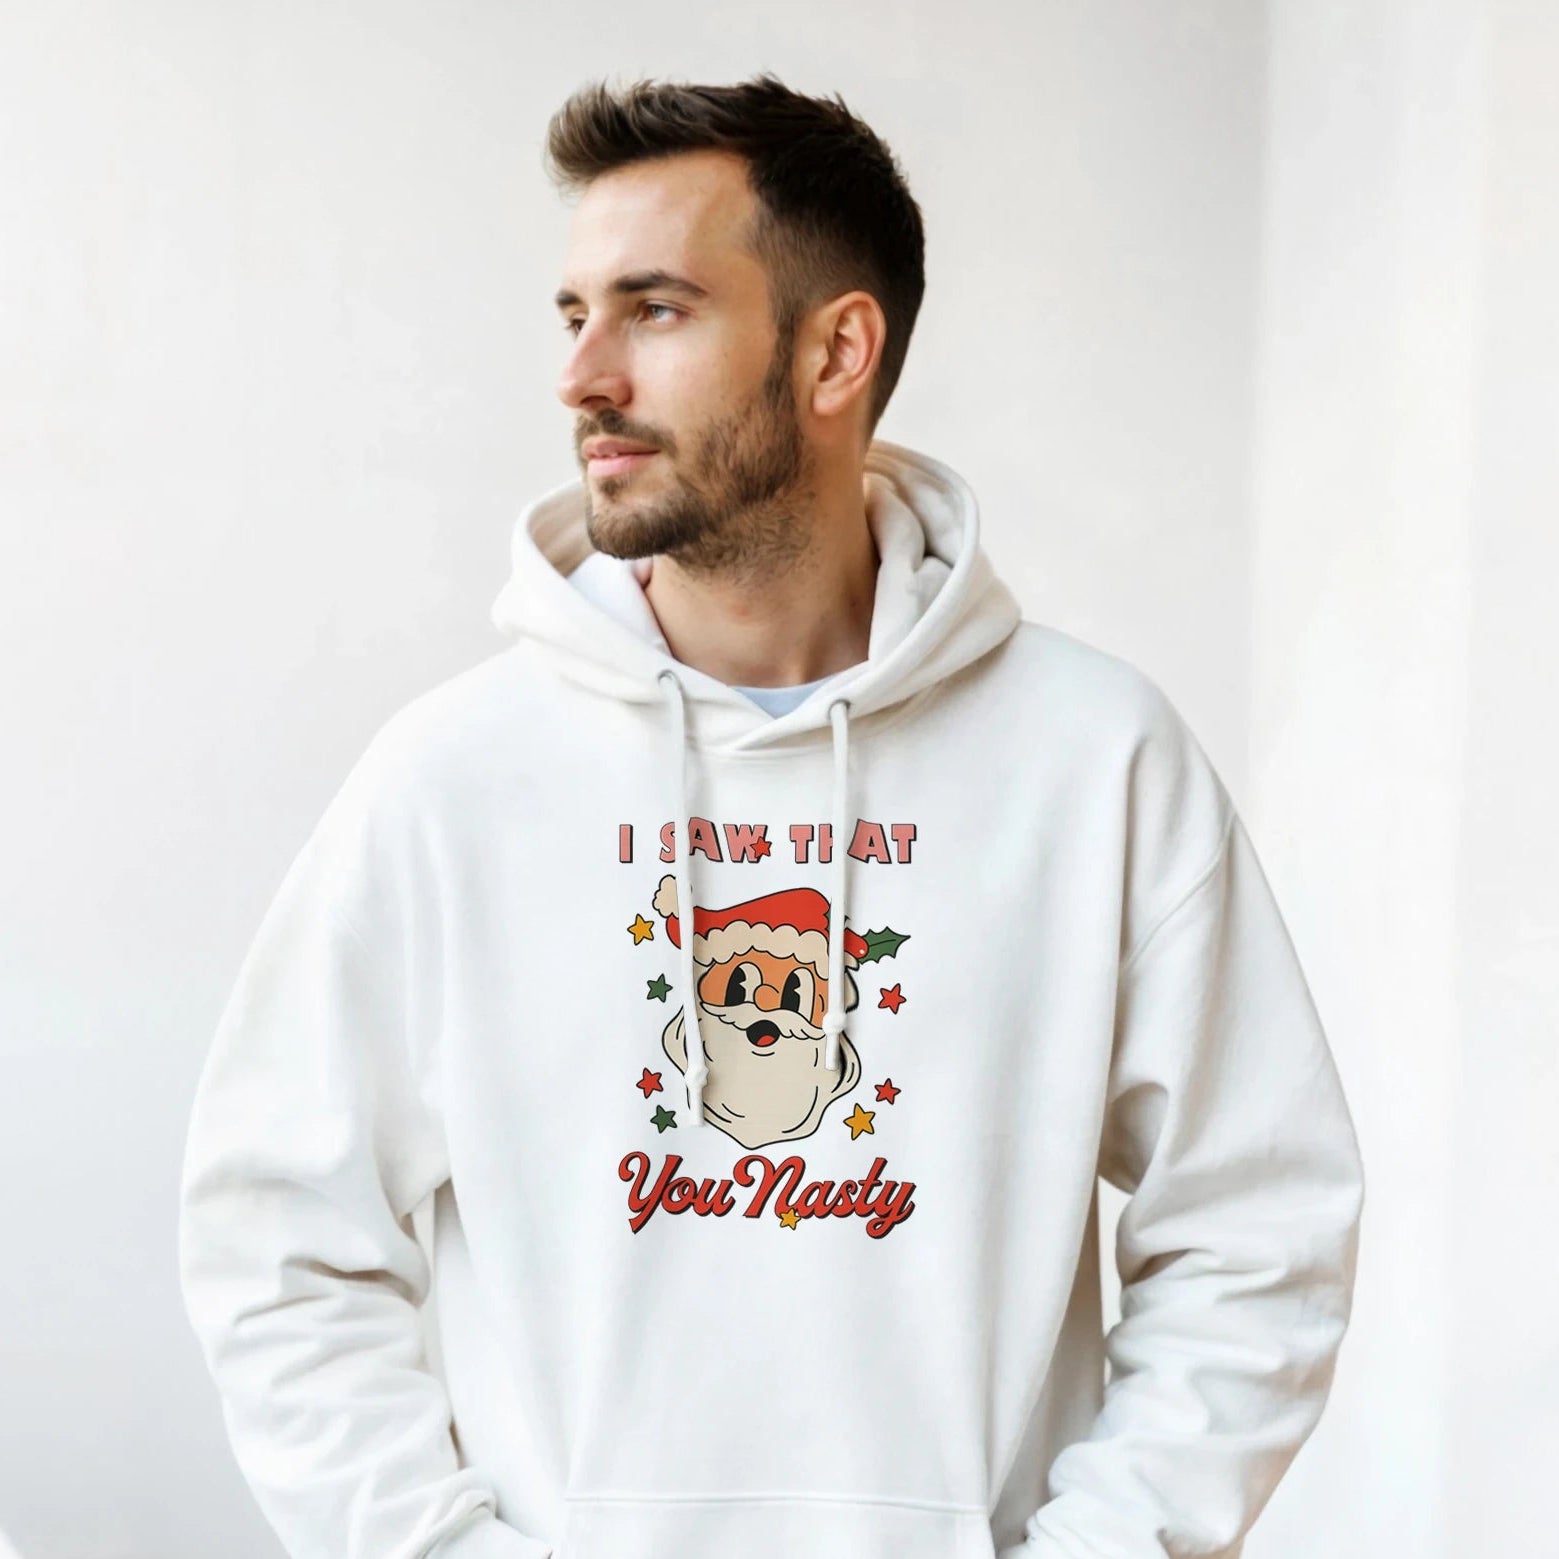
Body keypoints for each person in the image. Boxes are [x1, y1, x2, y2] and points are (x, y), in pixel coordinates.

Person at [177, 71, 1365, 1559]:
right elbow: (277, 1240)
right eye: (571, 315)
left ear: (836, 351)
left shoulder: (1096, 760)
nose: (582, 377)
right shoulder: (449, 780)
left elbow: (1258, 1226)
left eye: (655, 309)